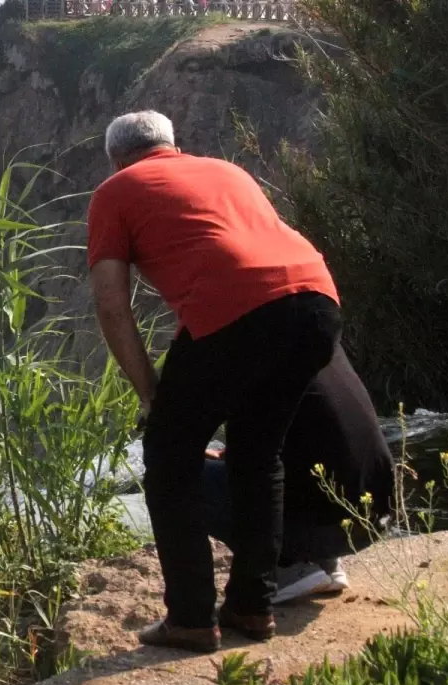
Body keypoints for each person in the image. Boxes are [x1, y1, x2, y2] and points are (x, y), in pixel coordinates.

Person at [86, 110, 342, 652]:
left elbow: (111, 303)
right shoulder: (228, 171)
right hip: (317, 301)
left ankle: (191, 618)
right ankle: (253, 608)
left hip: (238, 311)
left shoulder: (115, 190)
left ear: (116, 158)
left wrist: (152, 393)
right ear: (174, 145)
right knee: (258, 454)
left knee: (170, 456)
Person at [202, 342, 395, 603]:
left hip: (321, 527)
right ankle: (325, 564)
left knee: (180, 475)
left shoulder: (244, 346)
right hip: (374, 520)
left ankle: (286, 568)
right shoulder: (319, 333)